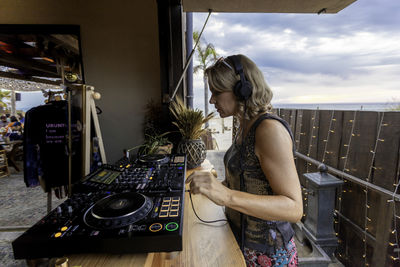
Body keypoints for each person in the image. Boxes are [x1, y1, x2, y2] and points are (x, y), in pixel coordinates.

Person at [186, 55, 303, 267]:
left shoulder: (269, 130)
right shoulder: (243, 126)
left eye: (217, 92)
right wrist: (212, 187)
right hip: (240, 242)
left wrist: (227, 196)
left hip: (267, 254)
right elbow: (248, 183)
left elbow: (294, 208)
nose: (212, 100)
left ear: (243, 90)